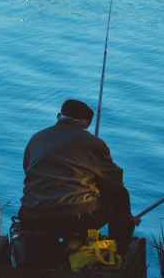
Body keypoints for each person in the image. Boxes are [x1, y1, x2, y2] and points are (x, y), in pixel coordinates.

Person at [12, 99, 137, 268]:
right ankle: (119, 249)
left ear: (59, 116)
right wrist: (125, 219)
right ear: (86, 123)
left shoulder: (36, 139)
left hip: (31, 215)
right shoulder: (93, 143)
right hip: (73, 219)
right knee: (120, 195)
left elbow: (28, 171)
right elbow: (114, 182)